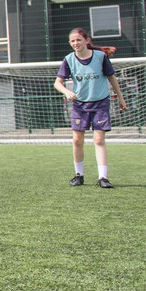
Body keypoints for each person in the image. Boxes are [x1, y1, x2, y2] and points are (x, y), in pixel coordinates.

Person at [53, 27, 127, 188]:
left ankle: (103, 177)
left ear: (87, 41)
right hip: (80, 105)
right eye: (72, 41)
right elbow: (57, 83)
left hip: (100, 103)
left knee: (99, 139)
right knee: (77, 140)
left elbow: (111, 78)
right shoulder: (69, 59)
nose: (75, 43)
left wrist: (120, 98)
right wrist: (67, 91)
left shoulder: (100, 57)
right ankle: (79, 175)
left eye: (78, 39)